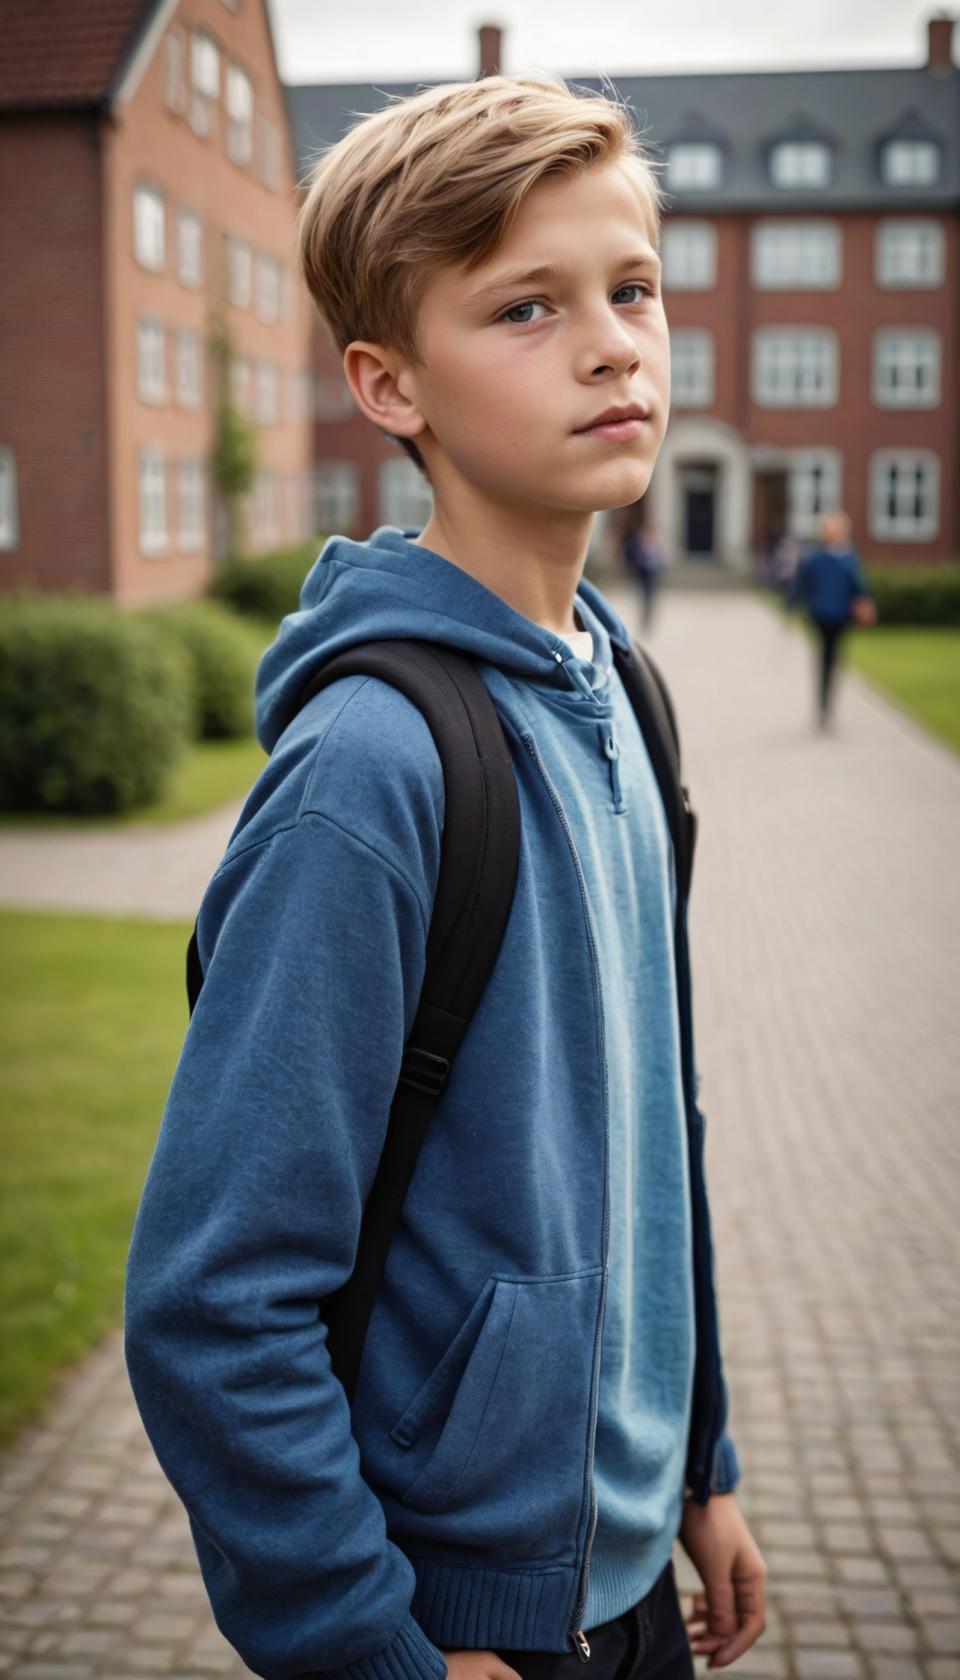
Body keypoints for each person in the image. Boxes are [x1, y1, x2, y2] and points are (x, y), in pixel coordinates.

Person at [124, 71, 767, 1680]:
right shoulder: (372, 776)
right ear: (386, 383)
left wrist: (701, 1466)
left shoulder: (623, 690)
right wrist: (364, 1647)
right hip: (460, 1633)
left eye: (632, 288)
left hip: (632, 1592)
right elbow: (215, 1305)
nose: (615, 343)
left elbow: (649, 1129)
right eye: (525, 308)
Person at [786, 510, 876, 730]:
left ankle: (826, 706)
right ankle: (825, 706)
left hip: (840, 616)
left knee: (831, 658)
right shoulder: (818, 557)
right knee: (828, 658)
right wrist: (792, 606)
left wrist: (865, 601)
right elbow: (802, 583)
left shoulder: (845, 557)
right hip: (822, 615)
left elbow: (858, 586)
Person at [620, 511, 668, 631]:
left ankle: (648, 619)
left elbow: (659, 556)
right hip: (643, 572)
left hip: (654, 571)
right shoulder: (638, 540)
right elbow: (633, 554)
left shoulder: (656, 541)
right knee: (644, 596)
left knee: (651, 597)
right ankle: (644, 619)